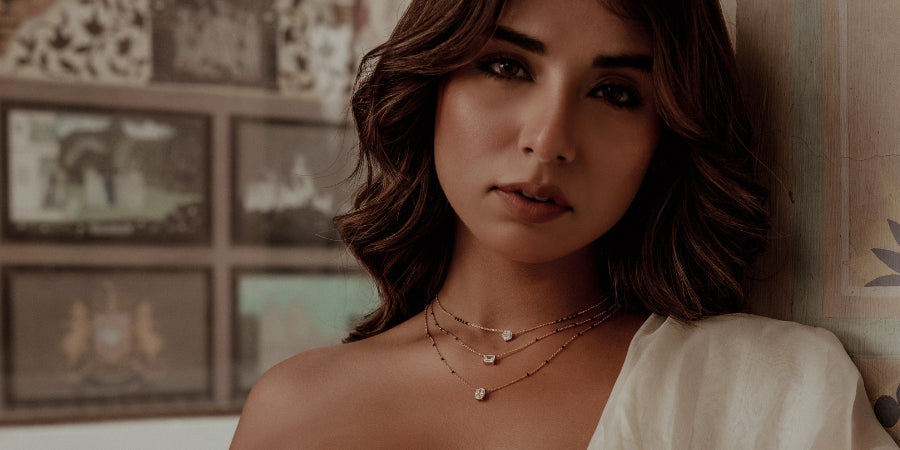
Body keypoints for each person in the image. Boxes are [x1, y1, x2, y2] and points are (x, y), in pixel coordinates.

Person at [230, 0, 898, 448]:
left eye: (616, 94)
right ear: (431, 86)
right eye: (506, 66)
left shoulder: (772, 390)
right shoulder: (299, 411)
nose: (549, 140)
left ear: (663, 138)